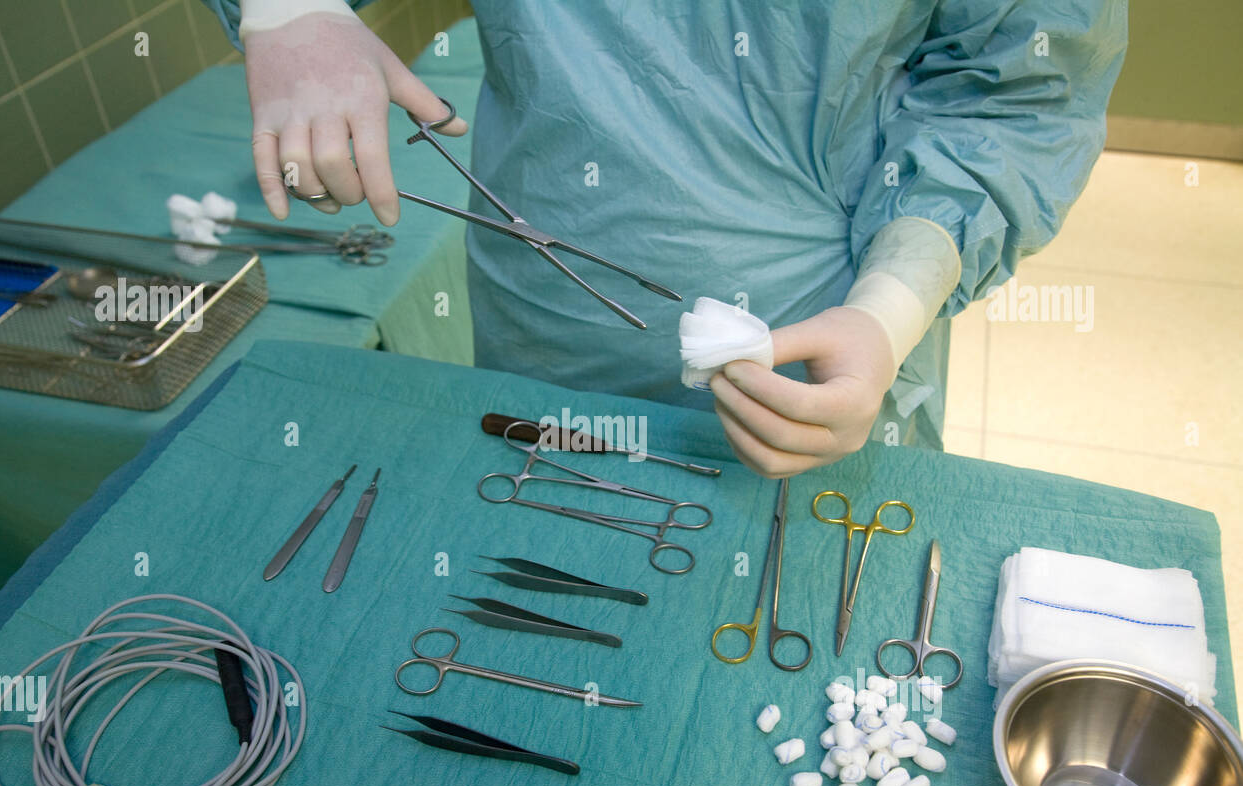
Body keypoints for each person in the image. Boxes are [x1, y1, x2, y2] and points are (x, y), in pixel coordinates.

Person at [203, 0, 1127, 475]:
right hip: (548, 308)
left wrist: (889, 310)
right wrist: (289, 8)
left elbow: (1012, 90)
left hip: (821, 334)